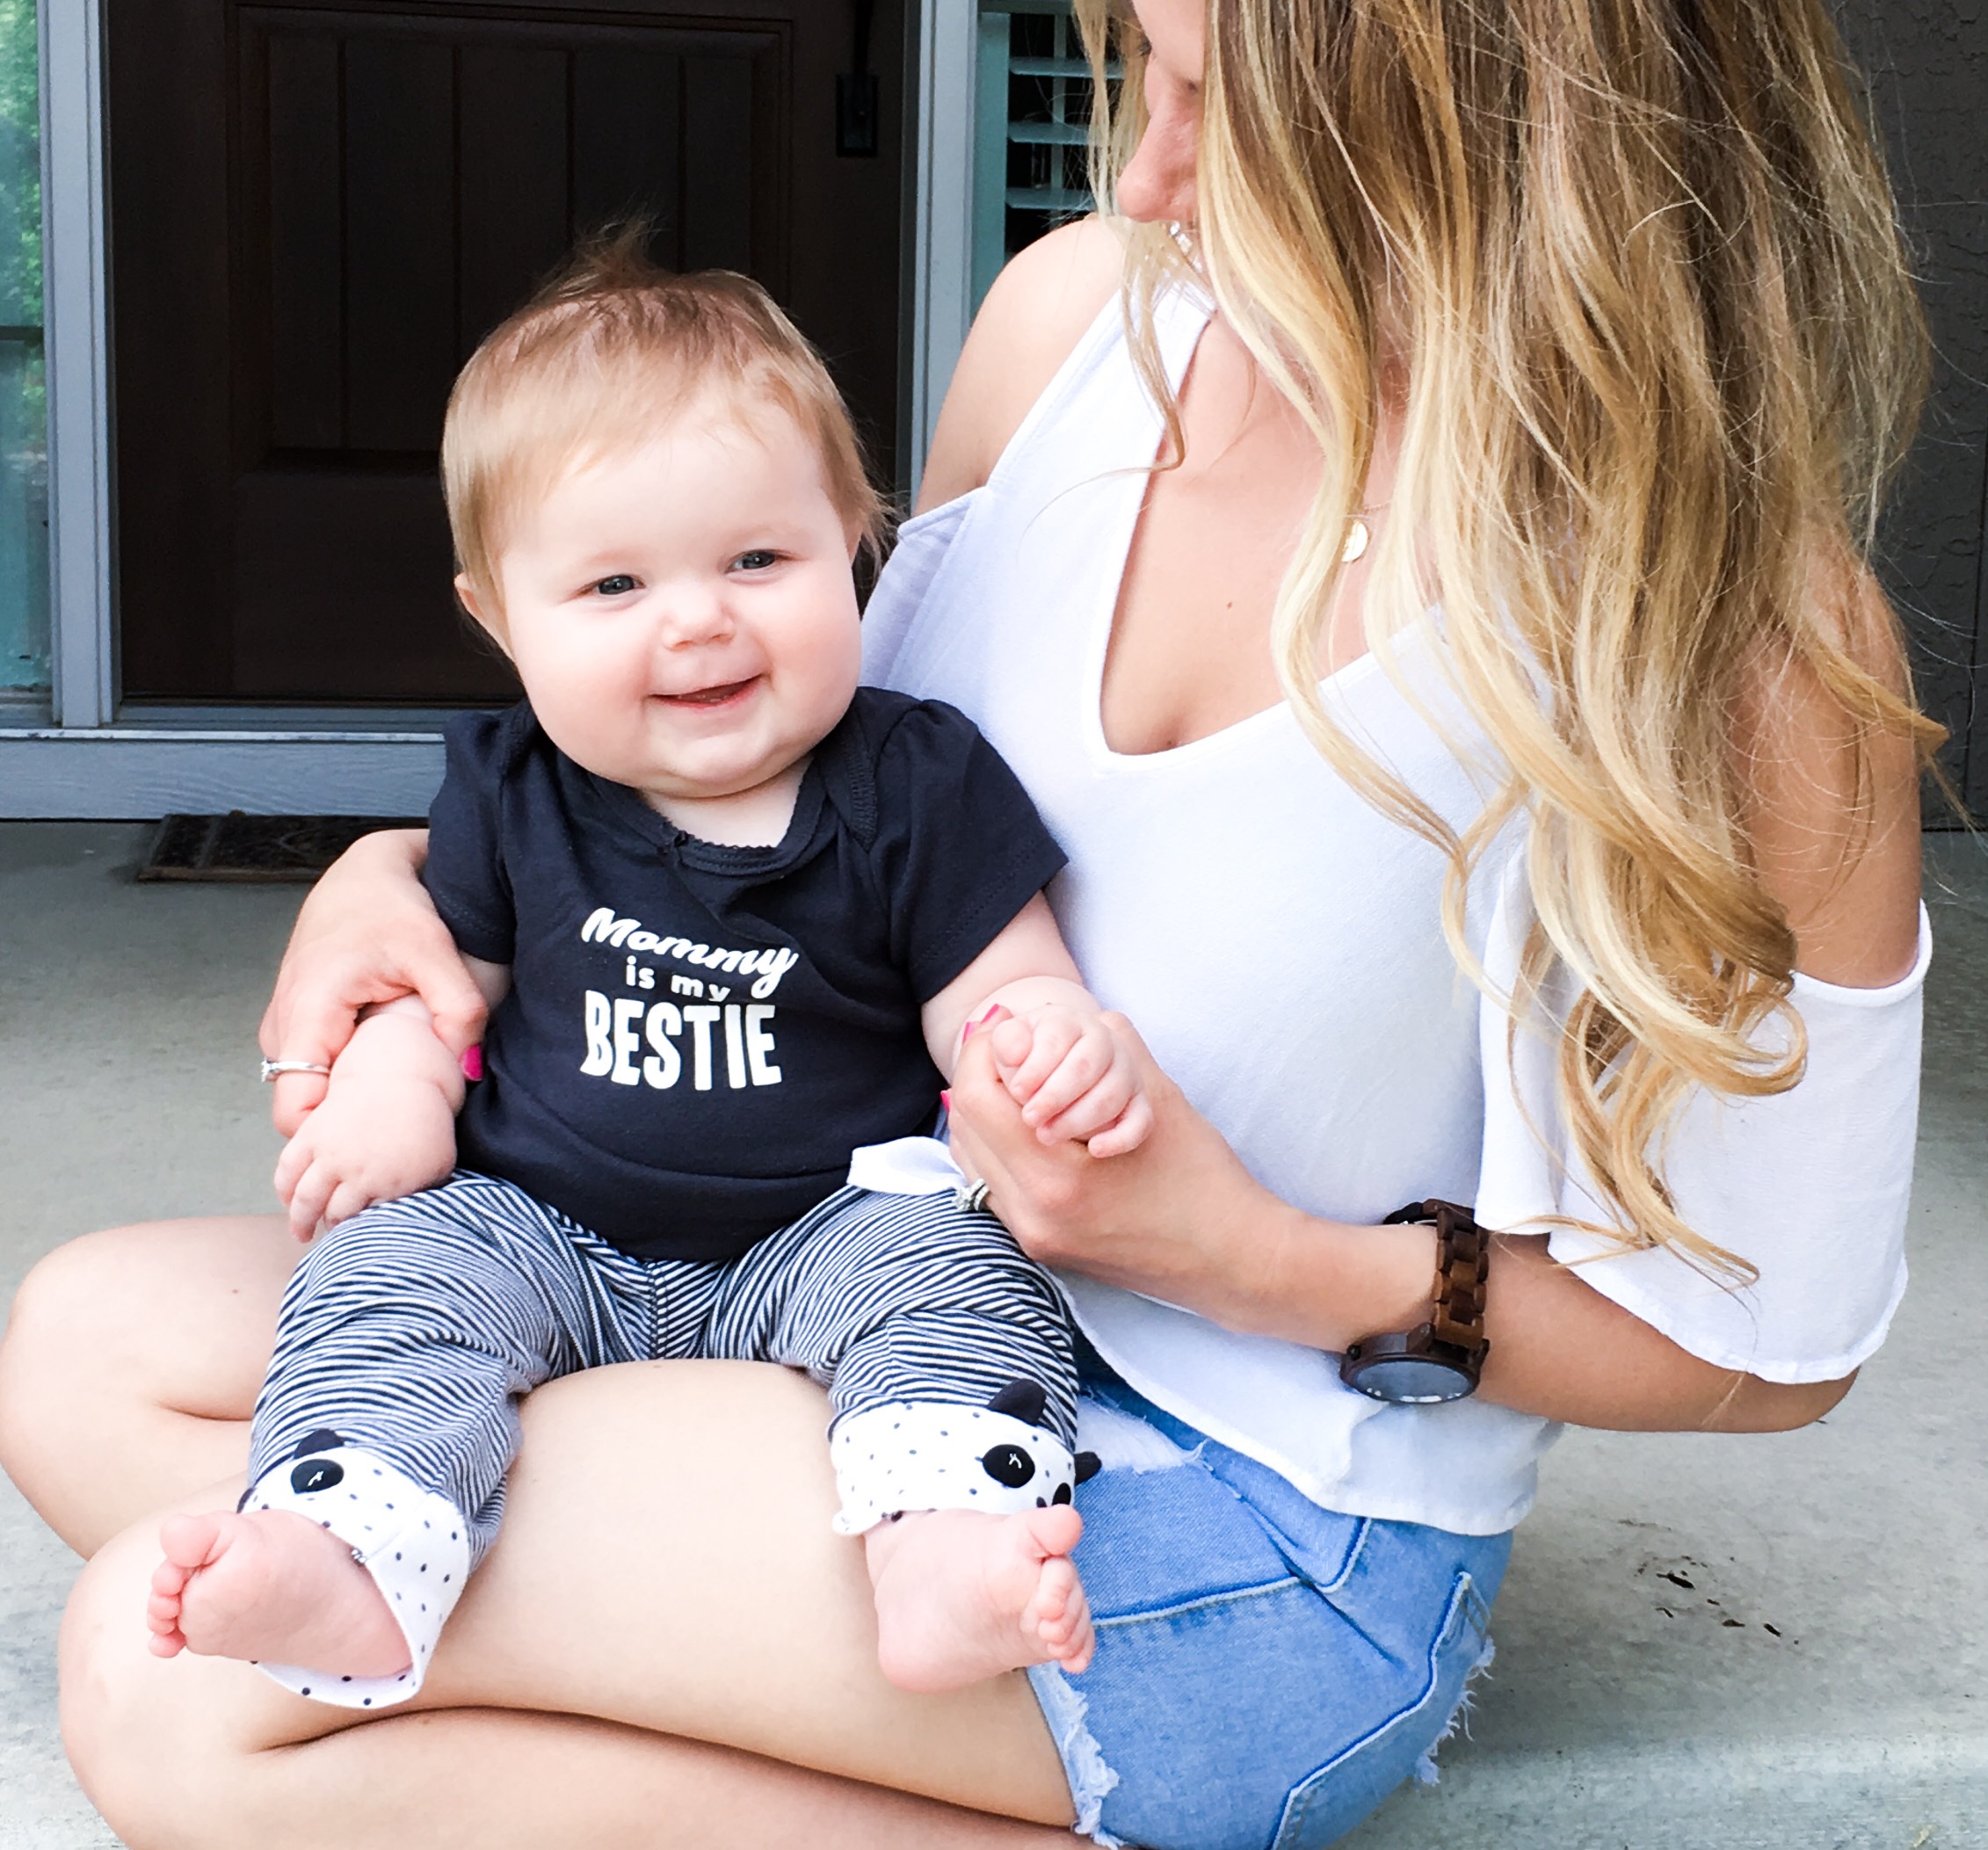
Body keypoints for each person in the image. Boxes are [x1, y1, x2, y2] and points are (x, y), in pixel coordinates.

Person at [0, 0, 1934, 1843]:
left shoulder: (1729, 628)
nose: (1151, 176)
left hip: (1227, 1504)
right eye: (1140, 79)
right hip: (829, 1294)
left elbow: (1778, 1347)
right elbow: (811, 784)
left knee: (172, 1692)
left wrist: (1253, 1254)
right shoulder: (1077, 327)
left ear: (1490, 133)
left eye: (1213, 106)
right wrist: (403, 883)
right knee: (77, 1349)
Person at [141, 253, 1157, 1707]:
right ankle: (349, 1540)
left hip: (825, 1228)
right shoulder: (508, 788)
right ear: (500, 617)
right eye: (613, 583)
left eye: (757, 561)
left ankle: (945, 1546)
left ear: (852, 542)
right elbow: (445, 981)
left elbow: (998, 984)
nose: (696, 620)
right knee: (381, 1273)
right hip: (542, 1226)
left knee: (958, 1270)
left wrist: (1048, 1037)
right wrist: (393, 1086)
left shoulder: (914, 780)